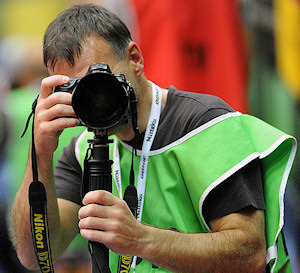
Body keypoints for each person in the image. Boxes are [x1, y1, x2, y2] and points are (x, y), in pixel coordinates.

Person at [10, 4, 296, 273]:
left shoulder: (205, 124)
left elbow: (250, 253)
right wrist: (39, 154)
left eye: (99, 79)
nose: (93, 97)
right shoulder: (81, 149)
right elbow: (34, 255)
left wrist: (140, 239)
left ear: (135, 58)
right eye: (77, 88)